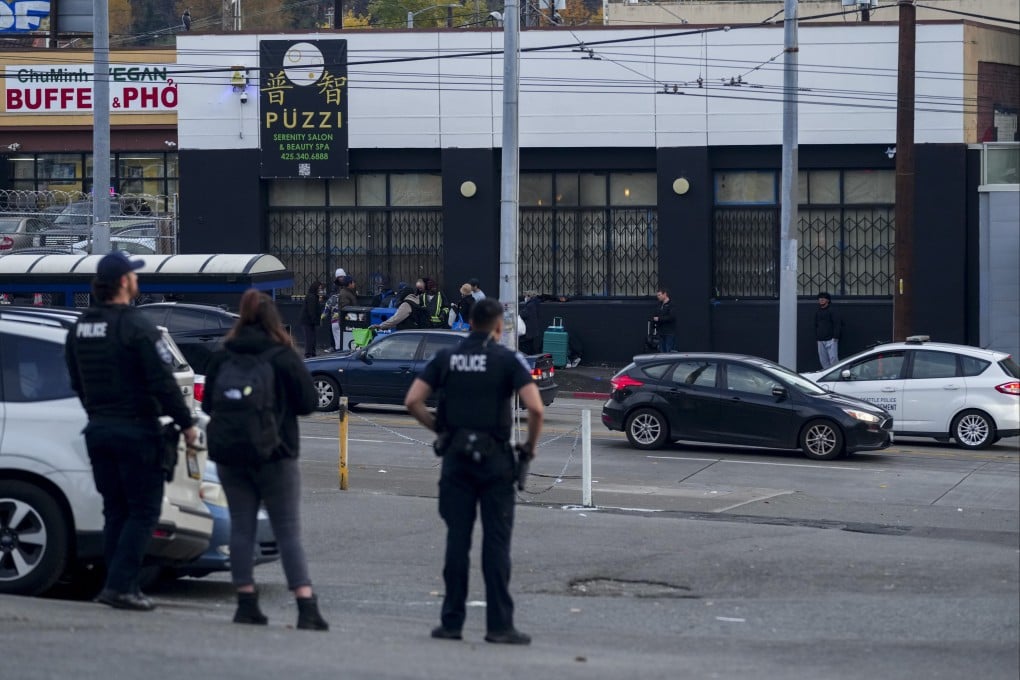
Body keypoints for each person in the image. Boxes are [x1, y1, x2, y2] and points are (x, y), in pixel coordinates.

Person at [404, 298, 544, 645]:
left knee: (457, 541)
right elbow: (536, 409)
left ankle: (451, 622)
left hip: (456, 460)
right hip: (496, 462)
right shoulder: (507, 359)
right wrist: (528, 448)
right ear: (498, 327)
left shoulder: (447, 357)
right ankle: (499, 626)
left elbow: (412, 401)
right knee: (496, 545)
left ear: (469, 322)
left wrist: (440, 430)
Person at [64, 251, 199, 612]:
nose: (137, 280)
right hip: (136, 431)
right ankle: (121, 587)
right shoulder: (137, 326)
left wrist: (98, 413)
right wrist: (187, 424)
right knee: (143, 512)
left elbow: (76, 380)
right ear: (124, 283)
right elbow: (162, 381)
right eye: (134, 276)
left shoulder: (80, 328)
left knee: (116, 511)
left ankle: (114, 583)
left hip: (99, 430)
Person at [202, 289, 328, 631]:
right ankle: (305, 605)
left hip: (230, 455)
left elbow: (208, 405)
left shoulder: (223, 354)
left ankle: (246, 603)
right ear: (274, 318)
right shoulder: (283, 356)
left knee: (241, 527)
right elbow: (308, 403)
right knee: (287, 530)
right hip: (277, 453)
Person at [320, 270, 348, 351]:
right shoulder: (335, 285)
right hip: (335, 312)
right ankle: (335, 346)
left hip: (344, 311)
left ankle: (341, 347)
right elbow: (331, 297)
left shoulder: (348, 283)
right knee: (334, 330)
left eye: (341, 276)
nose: (340, 278)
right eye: (339, 277)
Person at [814, 292, 842, 369]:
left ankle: (836, 373)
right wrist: (817, 338)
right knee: (823, 360)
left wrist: (835, 337)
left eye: (823, 298)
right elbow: (816, 325)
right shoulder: (818, 312)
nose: (821, 300)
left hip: (831, 339)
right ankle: (827, 374)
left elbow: (837, 323)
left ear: (828, 300)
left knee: (833, 359)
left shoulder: (832, 311)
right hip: (820, 340)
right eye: (820, 298)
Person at [299, 281, 324, 358]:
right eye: (319, 288)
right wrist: (315, 321)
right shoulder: (312, 297)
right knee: (309, 338)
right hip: (308, 321)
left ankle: (311, 352)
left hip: (309, 321)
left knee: (311, 337)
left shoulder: (313, 296)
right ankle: (309, 353)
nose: (320, 290)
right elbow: (311, 310)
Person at [652, 287, 677, 353]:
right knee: (662, 352)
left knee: (669, 352)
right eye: (657, 295)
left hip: (669, 333)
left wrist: (659, 319)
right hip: (660, 333)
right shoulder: (659, 305)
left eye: (659, 295)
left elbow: (671, 317)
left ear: (665, 294)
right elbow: (655, 315)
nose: (658, 297)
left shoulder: (671, 304)